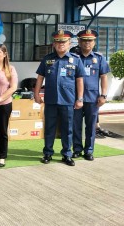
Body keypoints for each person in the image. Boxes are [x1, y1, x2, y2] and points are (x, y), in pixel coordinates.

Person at [34, 30, 85, 166]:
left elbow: (80, 80)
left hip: (68, 100)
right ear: (53, 44)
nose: (60, 44)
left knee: (67, 128)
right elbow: (40, 77)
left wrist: (80, 98)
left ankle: (67, 154)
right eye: (58, 42)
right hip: (50, 100)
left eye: (63, 42)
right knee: (49, 128)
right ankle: (48, 153)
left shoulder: (76, 59)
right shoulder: (47, 59)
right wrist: (36, 93)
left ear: (69, 43)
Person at [72, 29, 110, 161]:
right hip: (75, 97)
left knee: (91, 126)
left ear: (94, 42)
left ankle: (89, 151)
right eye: (84, 40)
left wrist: (104, 95)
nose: (87, 43)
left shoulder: (99, 58)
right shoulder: (73, 57)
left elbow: (104, 77)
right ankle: (77, 149)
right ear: (79, 41)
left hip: (93, 98)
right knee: (75, 125)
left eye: (90, 40)